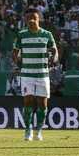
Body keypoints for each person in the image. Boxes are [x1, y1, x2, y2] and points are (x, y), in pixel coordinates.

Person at [12, 9, 57, 142]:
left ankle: (39, 130)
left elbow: (55, 51)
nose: (31, 20)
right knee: (28, 101)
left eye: (34, 17)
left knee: (42, 104)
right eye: (28, 18)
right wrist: (17, 63)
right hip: (27, 74)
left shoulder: (47, 34)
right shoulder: (21, 35)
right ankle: (28, 130)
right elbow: (14, 52)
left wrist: (53, 60)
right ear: (25, 20)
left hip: (43, 74)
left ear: (39, 19)